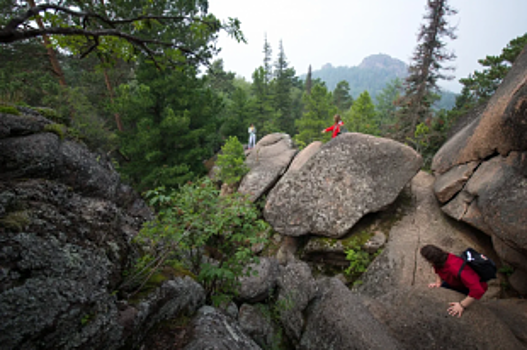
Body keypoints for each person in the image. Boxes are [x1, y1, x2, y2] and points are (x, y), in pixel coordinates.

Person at [420, 244, 488, 318]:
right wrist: (438, 282)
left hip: (468, 287)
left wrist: (462, 305)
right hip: (455, 282)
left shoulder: (455, 267)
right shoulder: (442, 257)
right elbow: (436, 268)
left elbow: (478, 290)